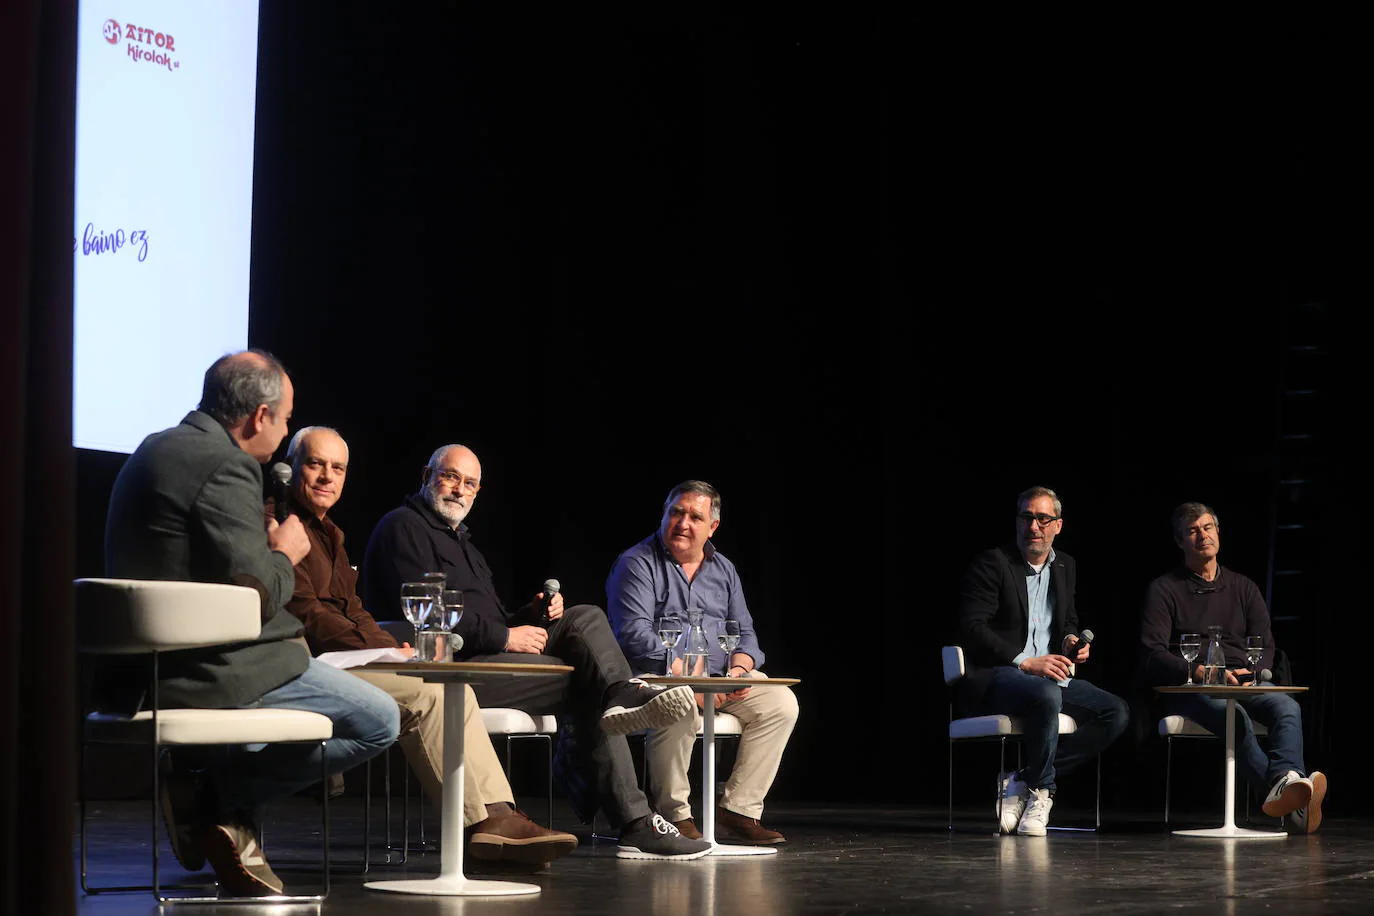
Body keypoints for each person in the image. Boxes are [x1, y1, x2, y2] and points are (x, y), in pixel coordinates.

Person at [102, 350, 401, 896]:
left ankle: (223, 813)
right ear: (260, 417)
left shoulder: (157, 446)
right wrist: (284, 551)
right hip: (207, 666)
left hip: (145, 666)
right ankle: (216, 796)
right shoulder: (226, 464)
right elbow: (257, 595)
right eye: (286, 418)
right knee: (380, 718)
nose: (284, 429)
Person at [360, 443, 712, 860]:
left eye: (469, 483)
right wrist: (505, 637)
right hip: (444, 670)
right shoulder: (402, 527)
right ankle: (633, 814)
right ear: (426, 477)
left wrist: (529, 614)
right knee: (589, 684)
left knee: (583, 617)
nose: (459, 489)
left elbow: (492, 620)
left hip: (488, 659)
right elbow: (429, 615)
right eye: (450, 476)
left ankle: (621, 701)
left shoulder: (465, 545)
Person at [279, 426, 578, 868]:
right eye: (315, 464)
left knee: (454, 689)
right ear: (290, 469)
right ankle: (485, 823)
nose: (327, 477)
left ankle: (498, 815)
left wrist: (390, 649)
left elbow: (355, 611)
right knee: (435, 694)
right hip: (308, 664)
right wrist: (383, 648)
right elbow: (310, 615)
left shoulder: (333, 536)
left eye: (337, 468)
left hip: (353, 656)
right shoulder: (283, 527)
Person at [607, 480, 798, 844]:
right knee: (678, 702)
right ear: (664, 515)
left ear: (712, 527)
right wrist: (691, 681)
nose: (683, 522)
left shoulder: (723, 569)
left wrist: (737, 673)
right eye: (676, 512)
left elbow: (746, 636)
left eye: (695, 516)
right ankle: (673, 815)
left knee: (780, 703)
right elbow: (634, 636)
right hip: (656, 678)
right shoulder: (636, 563)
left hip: (717, 680)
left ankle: (738, 811)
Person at [1139, 501, 1328, 832]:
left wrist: (1252, 674)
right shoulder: (1164, 588)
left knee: (1287, 708)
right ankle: (1289, 798)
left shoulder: (1243, 587)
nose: (1202, 536)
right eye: (1193, 531)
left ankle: (1288, 784)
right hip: (1191, 687)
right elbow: (1152, 652)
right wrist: (1199, 672)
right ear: (1179, 541)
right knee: (1234, 718)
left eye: (1208, 527)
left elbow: (1266, 645)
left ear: (1218, 532)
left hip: (1244, 681)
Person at [956, 486, 1129, 836]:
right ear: (1017, 521)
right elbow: (972, 627)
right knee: (1046, 695)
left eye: (1042, 518)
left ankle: (1023, 778)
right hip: (1000, 675)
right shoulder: (993, 562)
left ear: (1058, 525)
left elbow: (1066, 621)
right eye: (1026, 517)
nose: (1033, 526)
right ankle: (1042, 792)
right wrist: (1024, 662)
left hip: (1048, 677)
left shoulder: (1066, 566)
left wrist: (1070, 640)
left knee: (1116, 712)